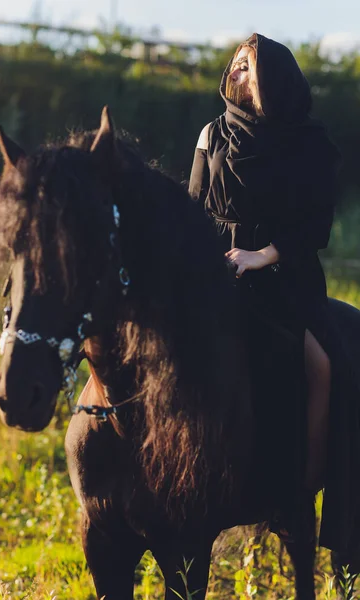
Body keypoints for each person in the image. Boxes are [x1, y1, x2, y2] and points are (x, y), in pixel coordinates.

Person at [189, 33, 343, 542]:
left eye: (247, 67)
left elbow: (315, 225)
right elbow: (193, 212)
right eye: (234, 64)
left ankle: (299, 491)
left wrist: (262, 256)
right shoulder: (212, 135)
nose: (235, 72)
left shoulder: (310, 144)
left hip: (285, 275)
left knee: (322, 367)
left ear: (273, 80)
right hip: (217, 273)